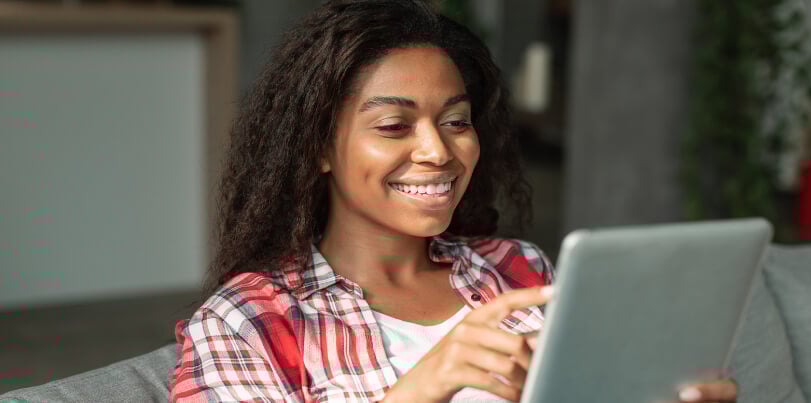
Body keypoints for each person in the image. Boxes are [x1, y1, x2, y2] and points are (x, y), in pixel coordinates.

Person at [168, 0, 739, 401]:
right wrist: (424, 385)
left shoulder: (519, 270)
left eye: (456, 121)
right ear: (317, 147)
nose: (437, 151)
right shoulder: (248, 321)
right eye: (394, 125)